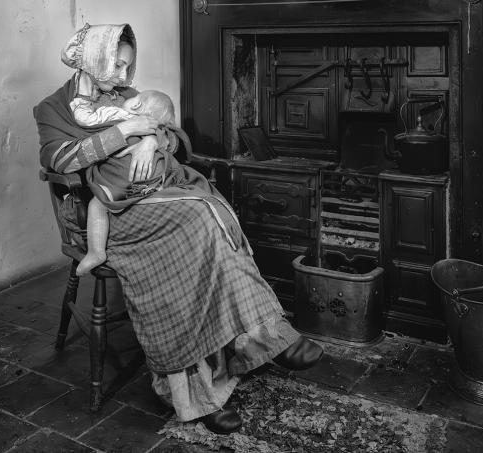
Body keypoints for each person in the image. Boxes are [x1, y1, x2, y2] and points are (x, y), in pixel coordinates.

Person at [34, 23, 323, 434]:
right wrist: (124, 132)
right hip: (108, 211)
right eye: (116, 65)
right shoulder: (53, 108)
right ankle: (200, 389)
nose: (123, 75)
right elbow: (59, 161)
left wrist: (154, 141)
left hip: (157, 193)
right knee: (199, 220)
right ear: (93, 58)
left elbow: (174, 134)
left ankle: (261, 337)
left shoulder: (129, 96)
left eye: (128, 66)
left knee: (209, 215)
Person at [70, 88, 185, 276]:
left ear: (137, 104)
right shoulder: (154, 126)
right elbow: (167, 136)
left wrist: (80, 105)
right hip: (154, 178)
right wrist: (154, 138)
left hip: (124, 176)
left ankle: (96, 252)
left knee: (97, 205)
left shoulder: (117, 113)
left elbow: (86, 119)